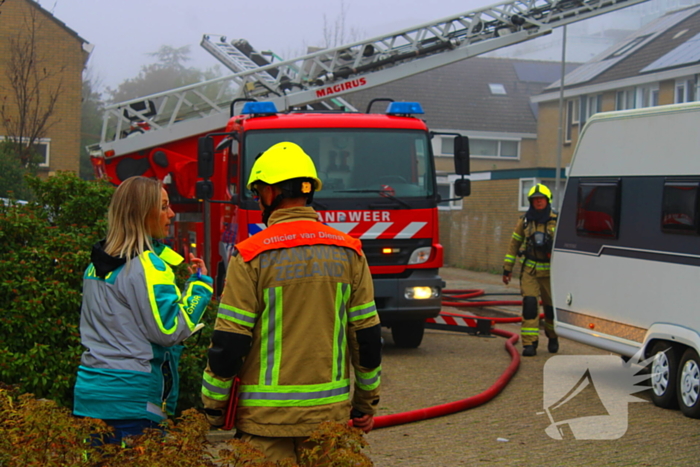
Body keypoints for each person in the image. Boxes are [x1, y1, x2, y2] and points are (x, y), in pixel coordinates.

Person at [201, 142, 382, 463]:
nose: (258, 202)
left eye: (258, 194)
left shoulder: (250, 255)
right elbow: (366, 339)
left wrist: (214, 409)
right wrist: (365, 406)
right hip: (329, 420)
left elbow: (229, 343)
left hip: (265, 424)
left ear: (271, 193)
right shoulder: (350, 252)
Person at [73, 176, 214, 444]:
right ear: (141, 214)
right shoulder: (149, 266)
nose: (171, 214)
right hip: (133, 400)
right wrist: (199, 289)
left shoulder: (95, 266)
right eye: (163, 207)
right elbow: (169, 330)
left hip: (90, 396)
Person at [502, 183, 559, 357]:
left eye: (541, 199)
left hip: (550, 272)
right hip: (531, 270)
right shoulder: (525, 221)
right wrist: (507, 269)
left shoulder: (557, 220)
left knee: (551, 309)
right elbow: (514, 245)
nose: (538, 202)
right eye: (535, 200)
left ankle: (553, 336)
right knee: (530, 306)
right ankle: (529, 344)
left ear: (547, 200)